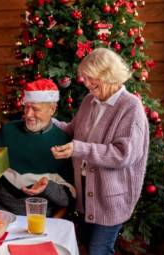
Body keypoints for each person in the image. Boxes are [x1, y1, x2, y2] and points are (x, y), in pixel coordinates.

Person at [51, 48, 149, 255]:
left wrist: (79, 149)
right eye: (84, 77)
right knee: (87, 244)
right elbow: (72, 130)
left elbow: (123, 155)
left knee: (99, 249)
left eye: (90, 77)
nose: (85, 82)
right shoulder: (90, 101)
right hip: (85, 189)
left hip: (111, 195)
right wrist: (46, 119)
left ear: (108, 74)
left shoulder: (130, 106)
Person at [0, 79, 75, 217]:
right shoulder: (7, 131)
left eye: (35, 109)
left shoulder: (64, 143)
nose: (28, 114)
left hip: (38, 217)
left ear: (52, 109)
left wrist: (47, 187)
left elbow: (68, 198)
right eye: (26, 107)